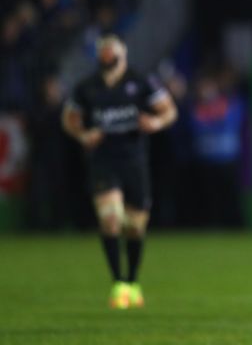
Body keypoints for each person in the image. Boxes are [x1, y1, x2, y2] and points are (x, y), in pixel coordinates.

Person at [62, 35, 177, 309]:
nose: (108, 58)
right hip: (103, 161)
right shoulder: (87, 87)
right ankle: (118, 285)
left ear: (122, 55)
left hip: (134, 160)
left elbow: (169, 111)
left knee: (135, 227)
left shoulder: (141, 81)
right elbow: (69, 118)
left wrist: (156, 122)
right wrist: (83, 135)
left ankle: (132, 281)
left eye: (111, 54)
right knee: (110, 219)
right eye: (103, 54)